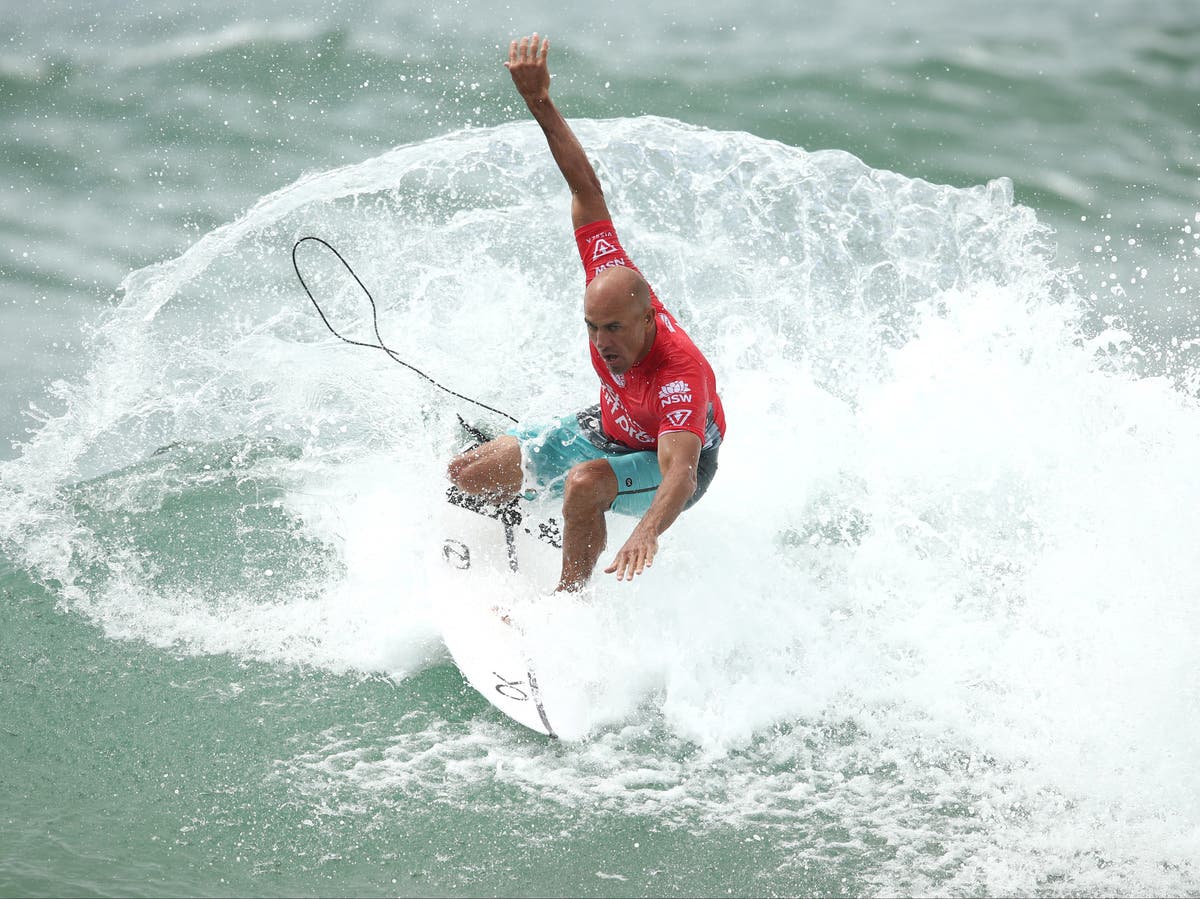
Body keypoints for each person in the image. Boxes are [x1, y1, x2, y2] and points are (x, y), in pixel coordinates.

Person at [447, 33, 726, 592]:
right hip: (609, 431)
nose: (602, 342)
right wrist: (539, 103)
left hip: (669, 467)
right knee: (467, 477)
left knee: (584, 485)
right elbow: (586, 188)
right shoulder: (610, 280)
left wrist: (647, 531)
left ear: (647, 320)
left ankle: (568, 602)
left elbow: (681, 472)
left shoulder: (679, 375)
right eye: (593, 329)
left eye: (615, 329)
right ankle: (536, 519)